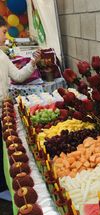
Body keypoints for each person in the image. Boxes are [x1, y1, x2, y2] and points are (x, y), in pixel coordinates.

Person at [0, 15, 41, 199]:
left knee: (5, 146)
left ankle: (5, 185)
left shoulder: (2, 55)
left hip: (4, 106)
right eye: (3, 31)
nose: (5, 35)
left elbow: (17, 76)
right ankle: (2, 187)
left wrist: (33, 63)